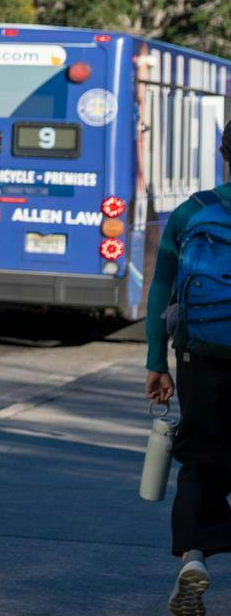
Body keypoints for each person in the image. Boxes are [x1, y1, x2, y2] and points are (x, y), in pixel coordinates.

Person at [147, 129, 231, 615]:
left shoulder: (192, 211)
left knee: (201, 457)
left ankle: (194, 558)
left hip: (200, 355)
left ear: (224, 155)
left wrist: (156, 363)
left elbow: (161, 289)